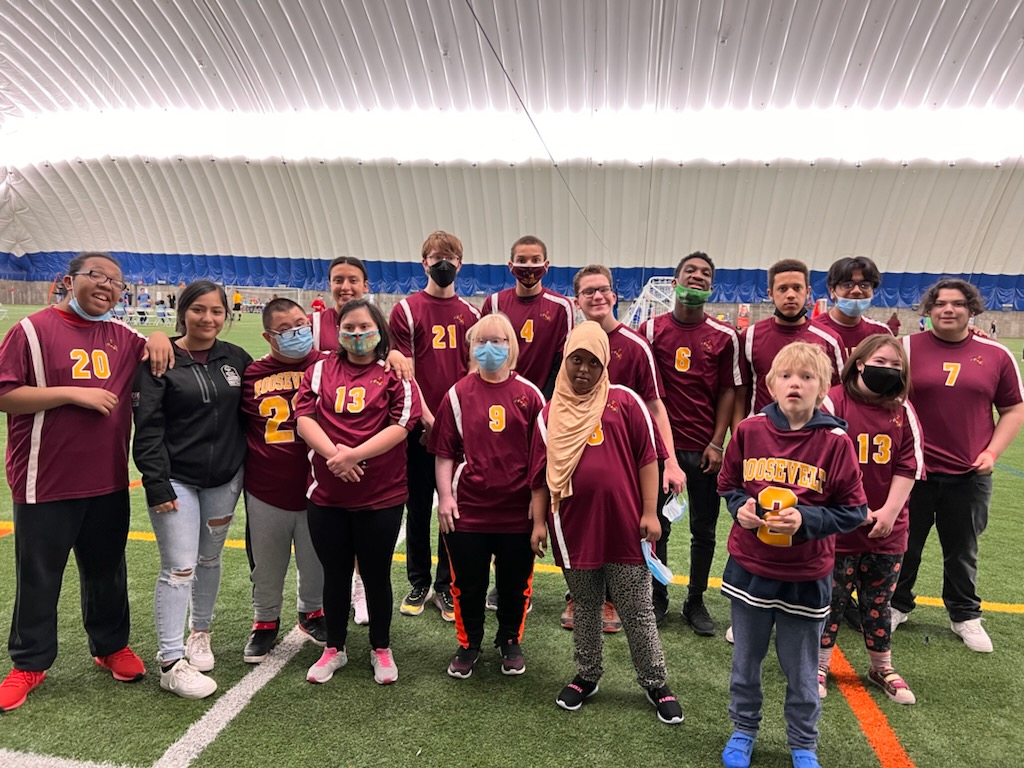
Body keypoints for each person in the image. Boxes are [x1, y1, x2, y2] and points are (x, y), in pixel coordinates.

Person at [0, 252, 173, 713]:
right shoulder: (32, 331)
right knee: (38, 576)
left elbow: (162, 347)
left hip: (107, 481)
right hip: (45, 480)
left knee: (106, 571)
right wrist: (70, 394)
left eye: (116, 282)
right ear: (68, 280)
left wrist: (157, 332)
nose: (107, 287)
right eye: (97, 276)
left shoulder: (124, 336)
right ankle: (30, 662)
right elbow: (5, 395)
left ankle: (110, 646)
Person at [717, 342, 867, 768]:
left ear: (824, 389)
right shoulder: (748, 430)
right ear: (771, 384)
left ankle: (803, 743)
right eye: (786, 376)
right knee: (746, 662)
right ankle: (744, 729)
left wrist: (807, 521)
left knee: (801, 670)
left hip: (806, 573)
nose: (795, 384)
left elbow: (854, 511)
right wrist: (740, 509)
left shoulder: (835, 442)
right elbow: (728, 485)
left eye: (806, 377)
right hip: (751, 567)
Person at [529, 321, 684, 726]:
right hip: (572, 527)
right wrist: (538, 524)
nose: (583, 370)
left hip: (623, 527)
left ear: (604, 366)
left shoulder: (625, 402)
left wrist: (649, 512)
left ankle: (656, 682)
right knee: (585, 606)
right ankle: (587, 674)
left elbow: (648, 459)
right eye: (576, 360)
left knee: (637, 608)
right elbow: (541, 475)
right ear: (564, 362)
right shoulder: (549, 414)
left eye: (593, 363)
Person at [133, 280, 252, 699]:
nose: (208, 318)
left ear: (226, 315)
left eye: (216, 311)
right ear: (183, 311)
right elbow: (147, 428)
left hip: (224, 480)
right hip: (176, 482)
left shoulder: (235, 357)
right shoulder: (161, 357)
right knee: (179, 567)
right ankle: (169, 661)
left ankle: (199, 633)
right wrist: (156, 481)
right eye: (198, 310)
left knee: (209, 558)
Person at [892, 279, 1024, 653]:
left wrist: (992, 454)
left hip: (969, 473)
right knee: (905, 544)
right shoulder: (904, 348)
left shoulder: (996, 354)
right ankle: (896, 604)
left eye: (957, 304)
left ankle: (964, 614)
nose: (948, 309)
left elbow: (1013, 409)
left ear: (972, 309)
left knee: (962, 548)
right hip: (912, 472)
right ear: (929, 310)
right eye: (941, 303)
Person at [295, 298, 422, 685]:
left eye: (364, 327)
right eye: (348, 328)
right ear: (338, 331)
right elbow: (303, 417)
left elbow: (402, 424)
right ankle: (334, 647)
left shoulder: (395, 373)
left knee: (375, 573)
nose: (356, 334)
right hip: (327, 494)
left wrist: (354, 455)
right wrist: (336, 455)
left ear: (379, 330)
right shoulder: (319, 370)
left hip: (380, 495)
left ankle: (380, 647)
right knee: (334, 573)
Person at [570, 264, 686, 633]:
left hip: (626, 457)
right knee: (582, 525)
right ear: (579, 300)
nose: (597, 296)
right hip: (580, 454)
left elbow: (655, 406)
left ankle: (617, 601)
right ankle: (579, 597)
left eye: (603, 289)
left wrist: (669, 461)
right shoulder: (572, 342)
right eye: (589, 292)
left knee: (627, 526)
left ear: (614, 295)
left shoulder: (635, 346)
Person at [430, 313, 545, 678]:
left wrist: (536, 505)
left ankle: (510, 640)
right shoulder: (457, 393)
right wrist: (446, 497)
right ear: (471, 347)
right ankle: (470, 644)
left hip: (516, 512)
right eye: (482, 341)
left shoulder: (530, 394)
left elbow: (541, 457)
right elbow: (445, 451)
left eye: (498, 341)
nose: (490, 348)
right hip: (469, 510)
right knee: (468, 584)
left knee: (515, 583)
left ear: (511, 347)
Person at [639, 251, 741, 633]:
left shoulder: (724, 335)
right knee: (656, 527)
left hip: (704, 452)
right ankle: (658, 595)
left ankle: (695, 601)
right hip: (660, 452)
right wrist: (656, 450)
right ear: (676, 280)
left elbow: (729, 392)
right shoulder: (650, 330)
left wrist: (717, 444)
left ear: (711, 285)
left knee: (704, 528)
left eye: (705, 274)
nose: (697, 277)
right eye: (690, 271)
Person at [818, 335, 923, 705]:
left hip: (887, 530)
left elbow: (909, 464)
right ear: (859, 362)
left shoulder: (902, 409)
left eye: (896, 366)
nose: (889, 370)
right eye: (881, 361)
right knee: (830, 601)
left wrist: (890, 512)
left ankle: (882, 665)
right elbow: (817, 458)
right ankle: (818, 664)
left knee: (878, 603)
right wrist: (851, 511)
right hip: (839, 528)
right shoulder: (833, 400)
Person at [308, 256, 412, 621]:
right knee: (329, 537)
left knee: (367, 538)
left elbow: (390, 358)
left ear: (366, 285)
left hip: (369, 455)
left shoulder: (379, 346)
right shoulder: (313, 323)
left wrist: (394, 352)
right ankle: (328, 602)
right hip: (321, 447)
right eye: (338, 279)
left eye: (353, 279)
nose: (345, 286)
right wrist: (335, 452)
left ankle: (362, 588)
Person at [389, 231, 481, 621]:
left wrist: (453, 424)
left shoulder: (472, 315)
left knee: (452, 507)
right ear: (423, 261)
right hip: (416, 426)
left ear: (461, 263)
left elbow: (475, 373)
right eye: (436, 256)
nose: (443, 263)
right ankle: (419, 580)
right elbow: (407, 374)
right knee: (417, 508)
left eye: (451, 256)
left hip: (456, 428)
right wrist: (428, 420)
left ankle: (445, 584)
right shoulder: (406, 310)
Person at [238, 298, 328, 663]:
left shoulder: (328, 364)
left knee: (316, 558)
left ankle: (312, 612)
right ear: (268, 335)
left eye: (300, 324)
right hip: (266, 484)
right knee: (267, 562)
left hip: (317, 483)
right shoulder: (251, 373)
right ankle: (265, 621)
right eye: (285, 329)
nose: (297, 332)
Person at [733, 259, 844, 427]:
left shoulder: (829, 339)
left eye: (797, 288)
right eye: (783, 289)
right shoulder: (750, 336)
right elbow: (740, 393)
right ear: (770, 293)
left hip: (811, 436)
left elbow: (840, 394)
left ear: (807, 291)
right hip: (762, 435)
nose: (790, 295)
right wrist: (739, 435)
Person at [481, 235, 574, 400]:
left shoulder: (561, 306)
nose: (529, 266)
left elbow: (562, 360)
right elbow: (484, 353)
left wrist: (545, 399)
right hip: (502, 394)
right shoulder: (494, 302)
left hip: (543, 397)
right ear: (511, 266)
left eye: (535, 260)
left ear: (546, 265)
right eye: (522, 260)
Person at [811, 256, 893, 360]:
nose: (856, 291)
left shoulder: (881, 333)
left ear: (873, 291)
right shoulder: (813, 331)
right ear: (831, 290)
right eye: (847, 285)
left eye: (864, 285)